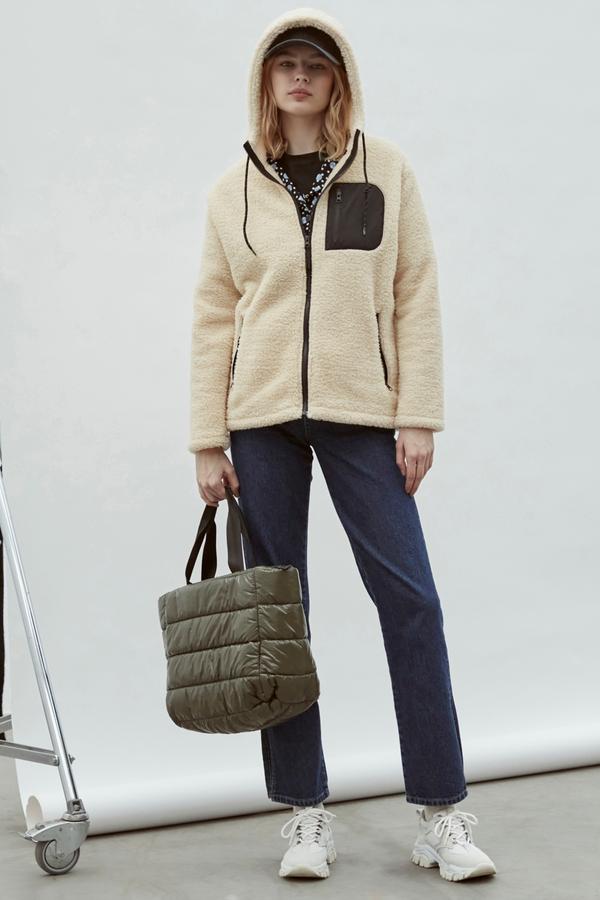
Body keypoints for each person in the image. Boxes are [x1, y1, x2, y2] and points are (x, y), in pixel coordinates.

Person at [188, 7, 497, 884]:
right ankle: (305, 813)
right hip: (260, 421)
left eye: (314, 66)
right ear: (266, 79)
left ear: (338, 80)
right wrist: (207, 438)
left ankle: (440, 812)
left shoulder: (385, 170)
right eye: (285, 64)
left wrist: (418, 413)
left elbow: (415, 291)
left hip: (364, 413)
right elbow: (214, 317)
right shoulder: (231, 191)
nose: (299, 77)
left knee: (412, 603)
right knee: (281, 621)